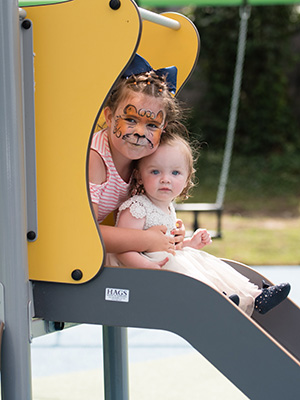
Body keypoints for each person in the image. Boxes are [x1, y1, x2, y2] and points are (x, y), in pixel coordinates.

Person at [107, 132, 291, 317]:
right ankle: (215, 298)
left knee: (205, 261)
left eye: (175, 173)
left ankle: (254, 295)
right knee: (187, 264)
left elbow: (170, 246)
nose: (165, 179)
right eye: (155, 171)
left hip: (163, 262)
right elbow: (122, 248)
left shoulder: (168, 207)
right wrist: (146, 267)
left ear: (187, 178)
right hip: (140, 271)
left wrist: (188, 243)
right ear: (139, 176)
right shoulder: (137, 207)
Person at [89, 54, 186, 255]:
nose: (140, 132)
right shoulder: (96, 160)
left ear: (163, 128)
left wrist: (171, 231)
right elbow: (84, 231)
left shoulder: (143, 159)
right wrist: (147, 240)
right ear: (109, 116)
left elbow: (146, 210)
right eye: (131, 120)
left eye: (151, 125)